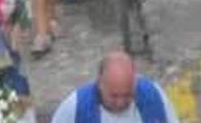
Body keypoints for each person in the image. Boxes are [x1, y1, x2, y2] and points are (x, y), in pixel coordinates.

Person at [50, 51, 180, 123]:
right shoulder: (75, 107)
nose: (120, 102)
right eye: (114, 95)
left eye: (127, 95)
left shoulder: (154, 95)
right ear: (99, 83)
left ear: (135, 82)